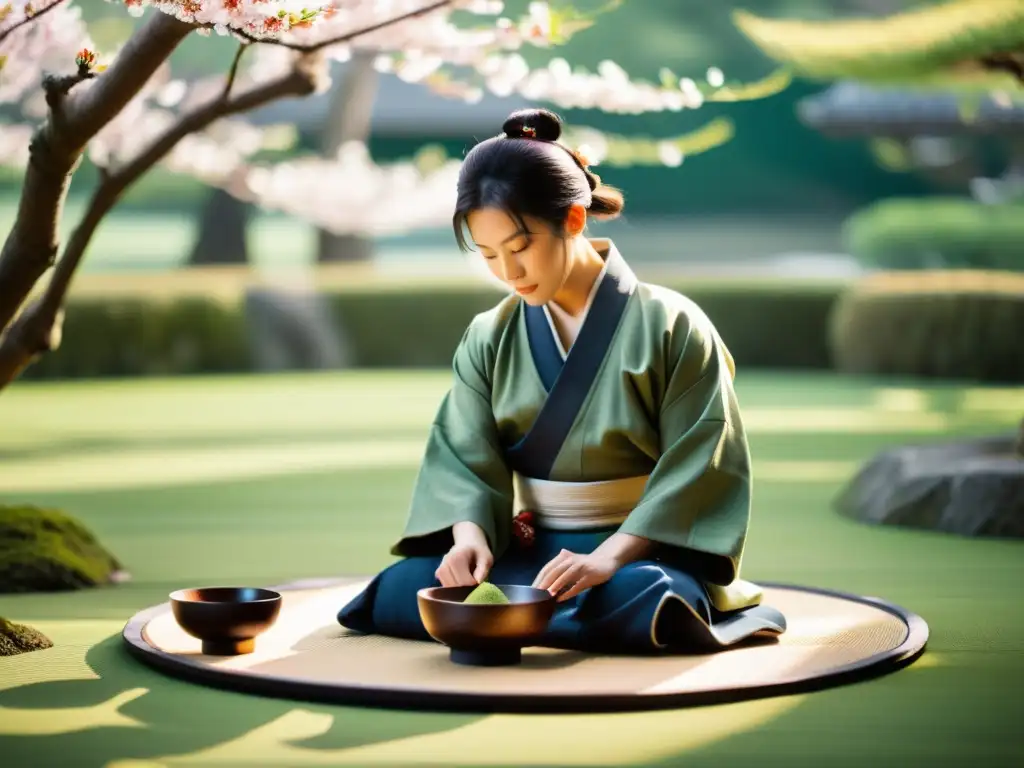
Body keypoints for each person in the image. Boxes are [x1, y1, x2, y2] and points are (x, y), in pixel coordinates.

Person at [338, 108, 786, 654]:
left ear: (574, 220)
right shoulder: (489, 335)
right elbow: (462, 456)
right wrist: (469, 537)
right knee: (407, 586)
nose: (507, 272)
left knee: (650, 594)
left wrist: (609, 557)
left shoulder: (673, 324)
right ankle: (536, 614)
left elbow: (701, 461)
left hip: (639, 550)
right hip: (533, 549)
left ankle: (517, 616)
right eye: (488, 255)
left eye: (520, 247)